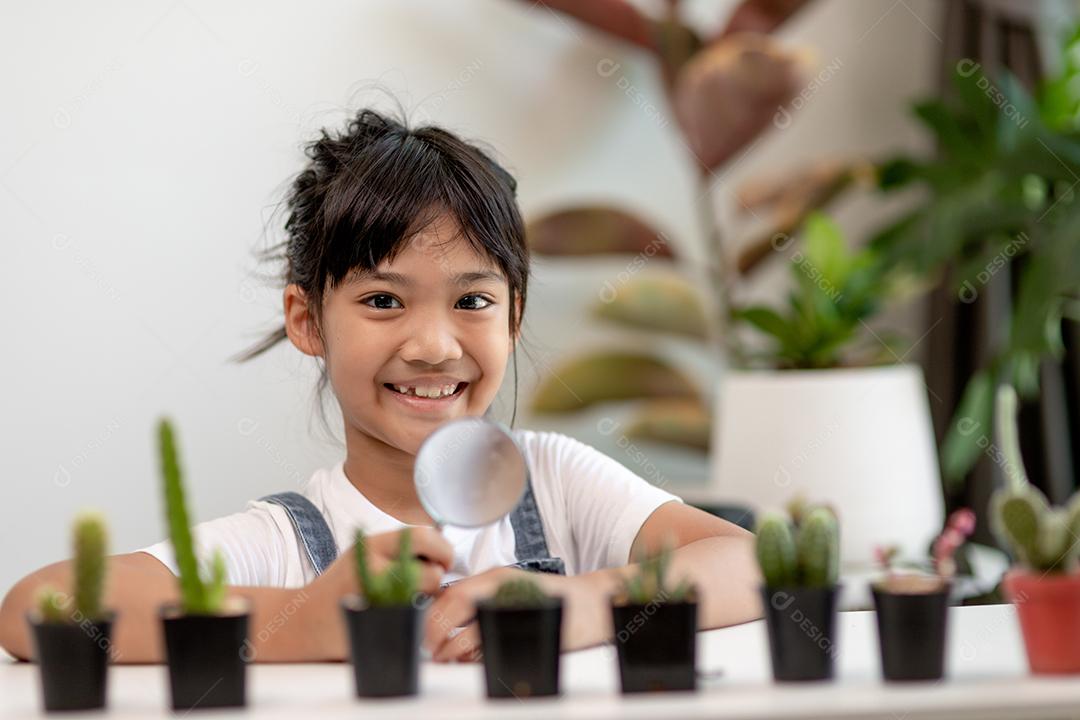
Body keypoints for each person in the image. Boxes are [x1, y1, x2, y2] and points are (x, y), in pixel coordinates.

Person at [0, 109, 760, 664]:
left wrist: (583, 604)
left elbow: (748, 563)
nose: (433, 346)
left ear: (514, 317)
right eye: (383, 301)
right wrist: (303, 622)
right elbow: (41, 606)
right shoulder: (287, 542)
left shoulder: (556, 481)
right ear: (307, 320)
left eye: (472, 301)